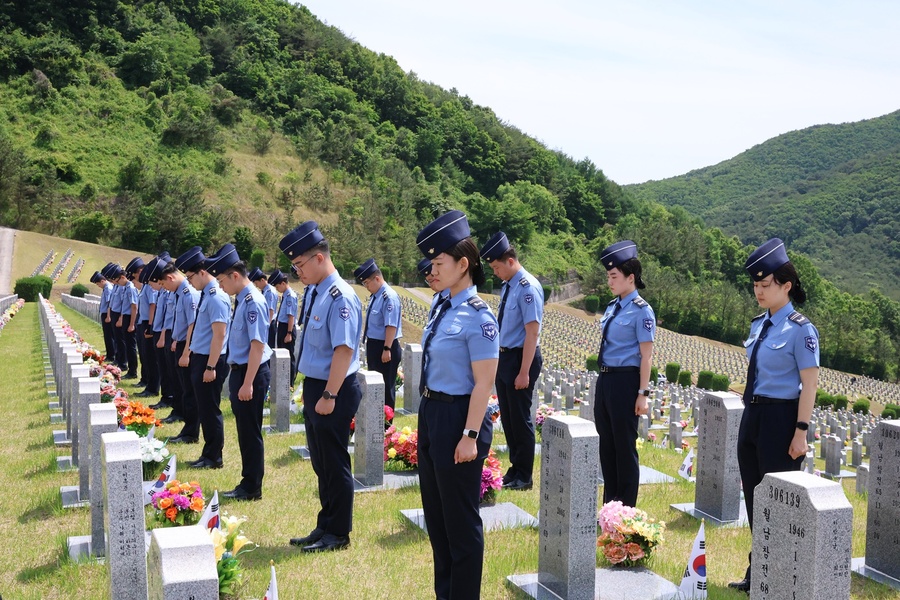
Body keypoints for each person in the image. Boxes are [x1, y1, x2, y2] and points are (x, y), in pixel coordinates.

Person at [415, 210, 498, 599]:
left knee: (461, 523)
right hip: (432, 413)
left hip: (460, 417)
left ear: (463, 264)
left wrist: (469, 435)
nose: (432, 271)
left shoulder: (479, 317)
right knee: (437, 518)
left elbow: (484, 382)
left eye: (439, 263)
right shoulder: (441, 305)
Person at [729, 238, 819, 593]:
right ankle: (759, 574)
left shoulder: (801, 330)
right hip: (753, 416)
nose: (758, 291)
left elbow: (809, 386)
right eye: (755, 285)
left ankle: (779, 578)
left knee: (778, 504)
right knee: (754, 499)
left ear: (786, 285)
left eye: (765, 285)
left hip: (782, 421)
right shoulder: (758, 325)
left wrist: (801, 431)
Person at [281, 221, 362, 553]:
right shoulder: (316, 291)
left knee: (334, 462)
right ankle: (325, 523)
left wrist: (329, 394)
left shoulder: (340, 295)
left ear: (318, 258)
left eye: (299, 265)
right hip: (318, 385)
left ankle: (339, 533)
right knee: (321, 463)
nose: (297, 272)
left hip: (335, 388)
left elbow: (343, 350)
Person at [593, 240, 655, 508]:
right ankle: (610, 505)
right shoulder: (612, 306)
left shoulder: (642, 311)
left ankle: (626, 508)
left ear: (631, 278)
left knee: (624, 447)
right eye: (608, 276)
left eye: (614, 276)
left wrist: (643, 393)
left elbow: (647, 355)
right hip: (605, 379)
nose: (610, 281)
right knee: (607, 445)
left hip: (626, 382)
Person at [480, 231, 543, 491]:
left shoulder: (528, 287)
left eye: (496, 267)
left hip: (521, 359)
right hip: (506, 357)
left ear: (509, 261)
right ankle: (515, 469)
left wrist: (524, 372)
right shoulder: (510, 286)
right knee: (508, 418)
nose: (495, 273)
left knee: (520, 419)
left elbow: (532, 332)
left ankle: (525, 475)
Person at [210, 245, 273, 501]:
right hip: (242, 372)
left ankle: (252, 487)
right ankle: (247, 482)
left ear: (235, 276)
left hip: (251, 374)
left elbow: (257, 345)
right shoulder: (243, 299)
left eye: (222, 280)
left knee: (250, 432)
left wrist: (247, 384)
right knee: (245, 431)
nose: (221, 286)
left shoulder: (253, 301)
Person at [182, 249, 231, 470]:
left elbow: (219, 335)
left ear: (202, 273)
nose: (190, 282)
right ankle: (208, 452)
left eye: (191, 277)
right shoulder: (207, 295)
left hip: (210, 361)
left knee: (210, 410)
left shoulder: (217, 297)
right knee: (204, 408)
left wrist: (211, 366)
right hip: (201, 358)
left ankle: (214, 457)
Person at [158, 250, 202, 444]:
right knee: (184, 390)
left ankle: (191, 432)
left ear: (170, 277)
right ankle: (187, 428)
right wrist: (176, 339)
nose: (164, 288)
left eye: (163, 284)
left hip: (188, 347)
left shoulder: (189, 293)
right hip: (181, 343)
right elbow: (181, 322)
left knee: (190, 392)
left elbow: (193, 324)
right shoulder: (179, 292)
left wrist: (186, 351)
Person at [354, 258, 403, 412]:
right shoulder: (376, 296)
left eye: (367, 282)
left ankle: (387, 426)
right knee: (375, 385)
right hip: (376, 345)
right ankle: (375, 419)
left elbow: (391, 325)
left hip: (386, 346)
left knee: (386, 387)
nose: (366, 286)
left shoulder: (389, 297)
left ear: (377, 278)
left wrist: (387, 348)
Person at [132, 259, 160, 398]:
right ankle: (148, 383)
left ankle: (153, 387)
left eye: (135, 275)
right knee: (145, 356)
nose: (135, 279)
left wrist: (150, 326)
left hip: (148, 323)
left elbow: (153, 305)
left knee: (150, 358)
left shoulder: (150, 286)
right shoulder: (145, 286)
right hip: (142, 321)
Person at [271, 268, 299, 385]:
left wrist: (288, 333)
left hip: (287, 327)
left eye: (278, 287)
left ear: (283, 283)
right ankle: (283, 380)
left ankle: (290, 383)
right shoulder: (285, 295)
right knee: (282, 354)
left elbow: (291, 316)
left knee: (288, 356)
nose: (277, 289)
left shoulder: (290, 296)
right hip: (282, 326)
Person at [90, 270, 117, 362]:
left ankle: (112, 354)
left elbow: (109, 303)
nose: (99, 286)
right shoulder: (106, 288)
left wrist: (108, 316)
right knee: (107, 335)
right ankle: (110, 353)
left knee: (109, 336)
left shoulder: (108, 288)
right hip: (105, 313)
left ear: (102, 281)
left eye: (98, 284)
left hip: (107, 314)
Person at [250, 267, 278, 348]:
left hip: (269, 323)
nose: (257, 286)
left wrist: (266, 326)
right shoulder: (265, 291)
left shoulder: (270, 292)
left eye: (256, 283)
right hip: (265, 323)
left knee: (268, 347)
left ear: (262, 280)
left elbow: (270, 310)